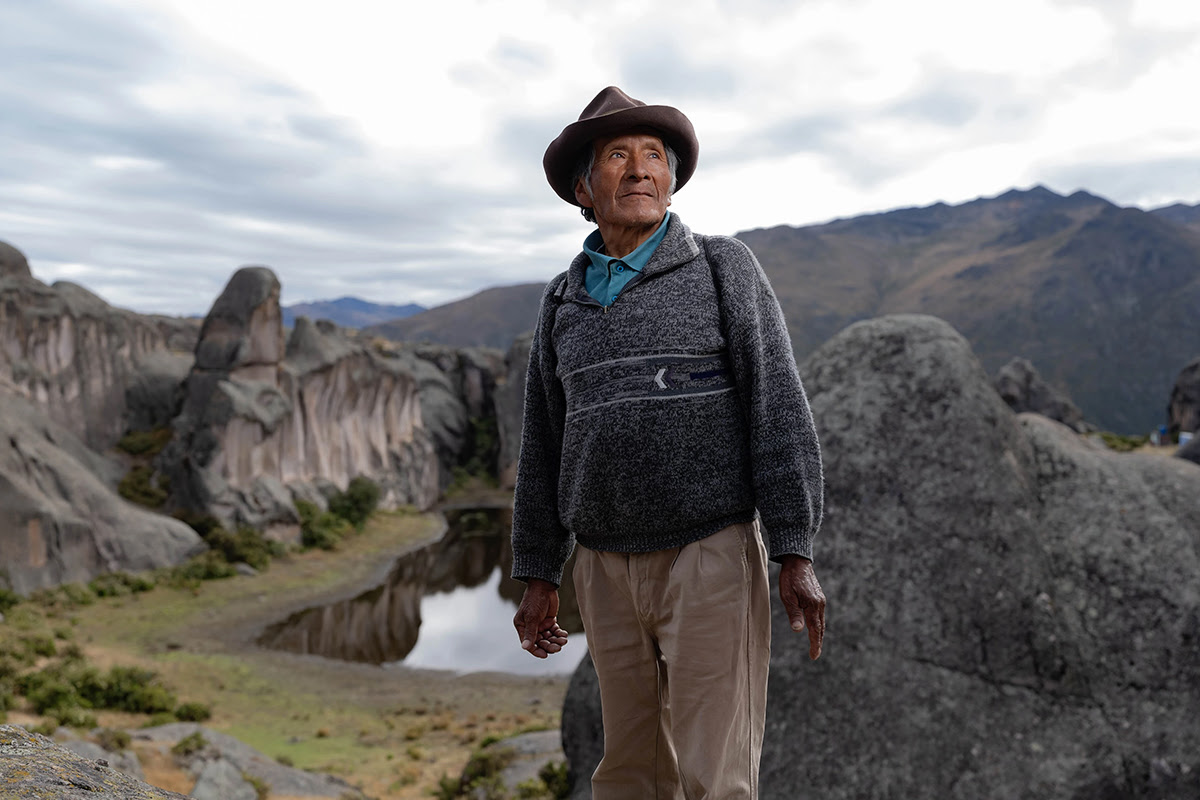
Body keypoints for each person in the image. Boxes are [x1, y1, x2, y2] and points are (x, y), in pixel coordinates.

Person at [510, 86, 826, 799]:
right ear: (584, 190)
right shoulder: (563, 301)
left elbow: (778, 407)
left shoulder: (723, 269)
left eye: (655, 155)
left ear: (673, 180)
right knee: (628, 775)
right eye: (618, 156)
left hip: (707, 556)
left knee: (716, 776)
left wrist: (794, 547)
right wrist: (539, 573)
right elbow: (545, 446)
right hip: (602, 569)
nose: (641, 170)